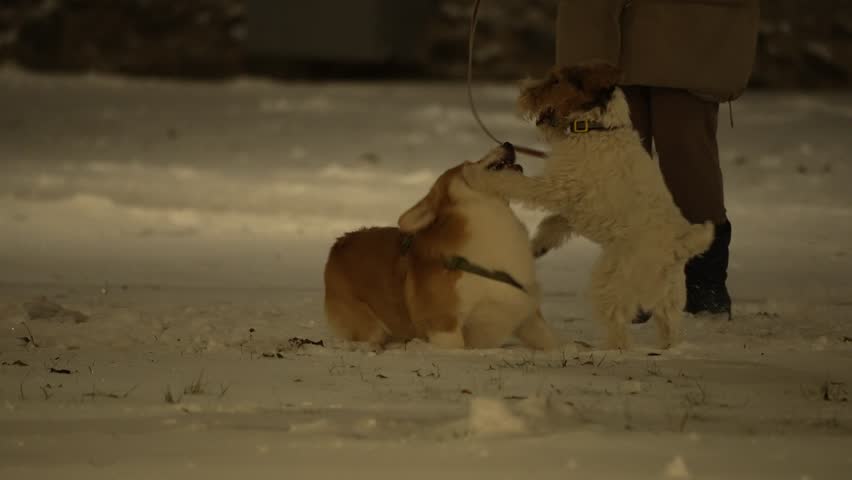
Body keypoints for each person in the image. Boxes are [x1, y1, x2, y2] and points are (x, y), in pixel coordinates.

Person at [554, 0, 761, 317]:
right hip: (609, 34)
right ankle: (639, 278)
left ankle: (703, 281)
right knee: (621, 156)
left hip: (686, 28)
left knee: (685, 155)